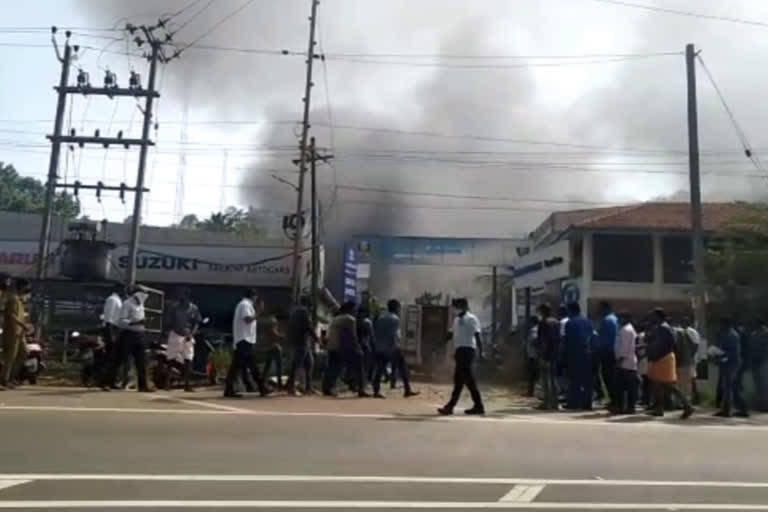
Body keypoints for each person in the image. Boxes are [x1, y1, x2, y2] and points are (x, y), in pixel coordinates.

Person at [438, 298, 485, 415]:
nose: (455, 309)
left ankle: (450, 407)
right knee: (465, 380)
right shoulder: (456, 320)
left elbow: (478, 336)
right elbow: (451, 334)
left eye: (457, 306)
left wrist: (482, 351)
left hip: (468, 350)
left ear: (464, 306)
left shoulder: (472, 319)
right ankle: (478, 406)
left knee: (462, 379)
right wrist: (438, 344)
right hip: (459, 351)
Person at [646, 308, 693, 419]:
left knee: (665, 385)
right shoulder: (663, 327)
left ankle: (687, 406)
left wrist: (655, 356)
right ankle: (660, 409)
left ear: (658, 316)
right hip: (664, 358)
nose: (651, 318)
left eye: (653, 316)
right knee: (661, 385)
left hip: (662, 358)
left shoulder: (663, 328)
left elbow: (662, 345)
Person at [104, 288, 152, 393]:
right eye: (144, 294)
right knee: (119, 360)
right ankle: (108, 383)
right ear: (138, 294)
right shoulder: (127, 304)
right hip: (128, 334)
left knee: (142, 361)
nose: (145, 296)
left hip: (140, 334)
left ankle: (143, 385)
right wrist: (135, 322)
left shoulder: (141, 305)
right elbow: (121, 321)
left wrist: (143, 323)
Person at [223, 289, 269, 398]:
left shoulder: (245, 305)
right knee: (242, 366)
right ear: (253, 296)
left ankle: (262, 388)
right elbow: (247, 319)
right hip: (244, 340)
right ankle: (262, 388)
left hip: (245, 340)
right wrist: (259, 313)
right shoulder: (245, 305)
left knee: (245, 366)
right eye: (256, 297)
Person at [371, 299, 418, 399]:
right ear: (396, 307)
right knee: (402, 367)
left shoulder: (381, 317)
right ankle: (407, 390)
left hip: (380, 347)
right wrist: (396, 347)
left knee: (379, 369)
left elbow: (376, 332)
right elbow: (394, 335)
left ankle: (376, 391)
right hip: (391, 347)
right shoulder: (395, 319)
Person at [323, 301, 369, 397]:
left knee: (333, 368)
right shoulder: (350, 319)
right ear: (350, 310)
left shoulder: (336, 319)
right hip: (341, 347)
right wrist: (358, 348)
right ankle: (361, 389)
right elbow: (352, 336)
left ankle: (327, 388)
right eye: (354, 310)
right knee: (359, 365)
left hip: (332, 346)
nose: (355, 312)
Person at [165, 288, 202, 392]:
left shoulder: (194, 308)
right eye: (182, 297)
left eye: (186, 297)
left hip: (188, 337)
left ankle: (187, 384)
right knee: (171, 360)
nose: (183, 299)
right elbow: (169, 321)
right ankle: (167, 383)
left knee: (188, 360)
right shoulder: (174, 308)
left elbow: (196, 323)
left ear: (189, 299)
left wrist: (191, 334)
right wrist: (175, 330)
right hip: (175, 335)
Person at [714, 316, 748, 418]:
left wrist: (723, 355)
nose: (719, 326)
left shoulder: (733, 335)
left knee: (728, 387)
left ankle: (727, 411)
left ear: (726, 325)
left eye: (721, 324)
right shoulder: (726, 334)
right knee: (733, 387)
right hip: (726, 363)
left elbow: (734, 352)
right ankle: (742, 409)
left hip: (732, 364)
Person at [285, 296, 319, 395]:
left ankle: (308, 387)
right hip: (302, 342)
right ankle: (291, 387)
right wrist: (317, 339)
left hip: (300, 341)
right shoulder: (304, 312)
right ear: (308, 305)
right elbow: (309, 327)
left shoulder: (295, 311)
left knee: (309, 363)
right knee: (297, 364)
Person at [1, 278, 31, 389]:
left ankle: (12, 378)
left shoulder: (20, 299)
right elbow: (11, 315)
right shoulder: (13, 299)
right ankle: (4, 380)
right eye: (26, 286)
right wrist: (23, 325)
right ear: (21, 286)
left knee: (23, 353)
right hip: (12, 332)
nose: (27, 289)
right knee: (10, 357)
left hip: (20, 333)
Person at [562, 302, 592, 410]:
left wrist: (564, 357)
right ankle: (587, 403)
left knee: (574, 380)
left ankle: (574, 402)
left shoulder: (570, 323)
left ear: (571, 310)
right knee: (587, 381)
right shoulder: (588, 322)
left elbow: (567, 341)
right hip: (587, 354)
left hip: (574, 354)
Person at [536, 303, 561, 410]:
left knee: (546, 380)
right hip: (555, 354)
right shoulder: (556, 322)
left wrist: (542, 354)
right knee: (554, 379)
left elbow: (543, 341)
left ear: (542, 312)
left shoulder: (543, 323)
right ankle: (555, 403)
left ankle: (546, 403)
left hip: (546, 354)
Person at [593, 302, 618, 406]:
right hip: (614, 351)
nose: (598, 311)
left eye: (600, 309)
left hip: (606, 352)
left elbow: (602, 339)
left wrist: (596, 350)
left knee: (607, 376)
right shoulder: (615, 319)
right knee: (611, 376)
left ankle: (613, 400)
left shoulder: (606, 320)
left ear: (605, 308)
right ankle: (614, 400)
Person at [99, 285, 123, 388]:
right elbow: (108, 319)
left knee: (114, 358)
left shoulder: (117, 300)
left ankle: (111, 381)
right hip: (111, 329)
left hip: (114, 329)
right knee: (109, 357)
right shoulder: (112, 300)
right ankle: (104, 382)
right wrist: (110, 335)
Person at [614, 313, 638, 414]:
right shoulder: (630, 329)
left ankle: (622, 407)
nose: (619, 320)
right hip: (629, 362)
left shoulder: (625, 330)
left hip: (625, 363)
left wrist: (619, 362)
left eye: (620, 318)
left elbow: (624, 348)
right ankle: (628, 407)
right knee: (629, 387)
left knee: (622, 387)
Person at [675, 317, 699, 404]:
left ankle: (689, 399)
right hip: (690, 359)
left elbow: (695, 345)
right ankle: (695, 398)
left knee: (687, 381)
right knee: (691, 379)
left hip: (689, 360)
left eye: (683, 322)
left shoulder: (689, 331)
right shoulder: (691, 331)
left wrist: (690, 356)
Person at [260, 311, 285, 391]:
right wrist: (281, 337)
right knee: (279, 366)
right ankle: (280, 385)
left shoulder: (267, 320)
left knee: (267, 366)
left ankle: (263, 383)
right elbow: (273, 333)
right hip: (274, 346)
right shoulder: (273, 321)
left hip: (268, 346)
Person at [525, 316, 540, 397]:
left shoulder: (533, 330)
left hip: (533, 355)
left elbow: (535, 341)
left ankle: (531, 392)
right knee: (534, 374)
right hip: (534, 355)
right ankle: (532, 392)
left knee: (532, 375)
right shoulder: (538, 329)